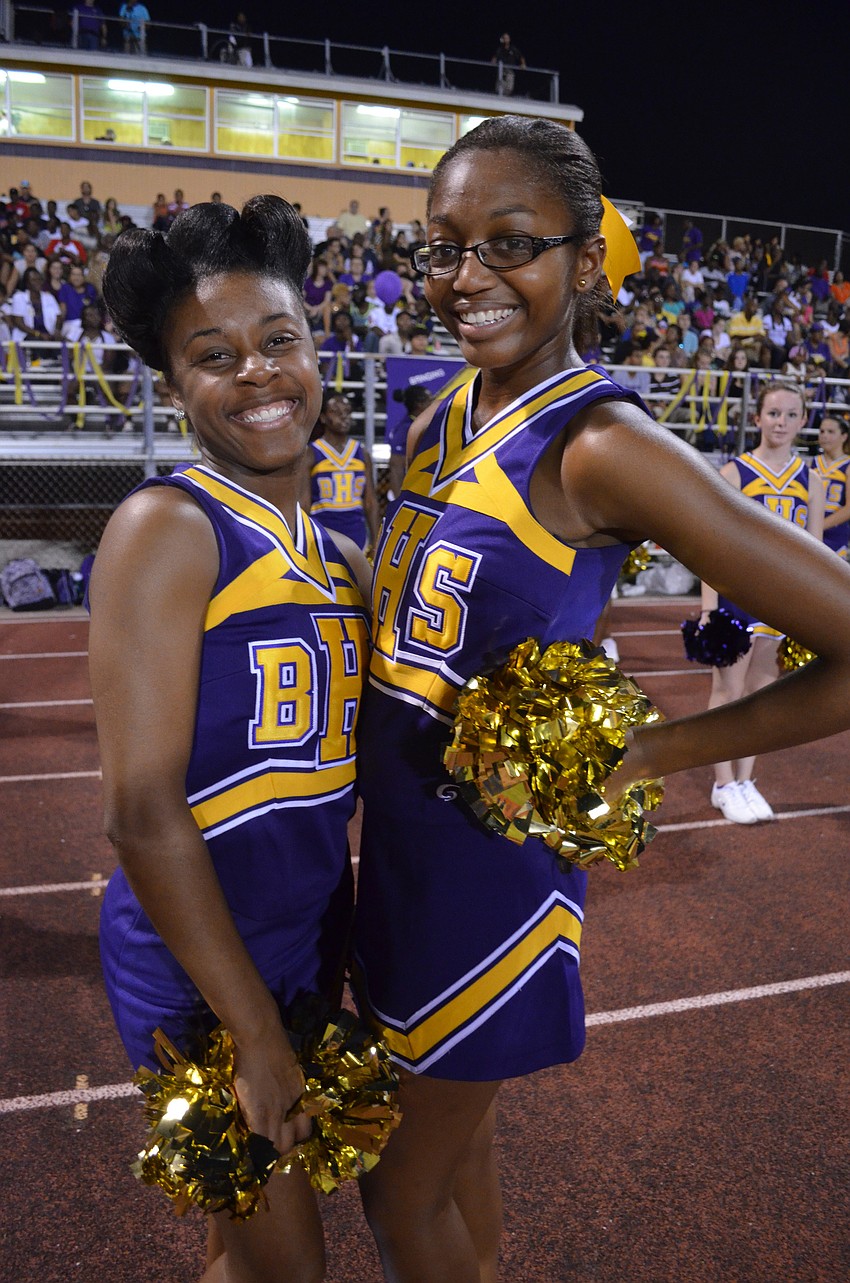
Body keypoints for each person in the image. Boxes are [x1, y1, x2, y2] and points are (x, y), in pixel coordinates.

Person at [350, 115, 850, 1283]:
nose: (466, 277)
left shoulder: (601, 442)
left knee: (396, 1188)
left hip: (486, 872)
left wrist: (651, 755)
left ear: (586, 261)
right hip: (400, 853)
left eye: (509, 244)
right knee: (457, 1167)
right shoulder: (440, 407)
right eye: (444, 245)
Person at [91, 196, 372, 1283]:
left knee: (245, 1254)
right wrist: (252, 1029)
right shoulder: (167, 526)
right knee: (283, 1264)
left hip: (302, 934)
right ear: (173, 387)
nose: (255, 372)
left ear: (315, 347)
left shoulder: (329, 547)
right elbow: (141, 809)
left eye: (278, 340)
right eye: (213, 356)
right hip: (201, 965)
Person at [702, 383, 824, 824]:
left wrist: (809, 611)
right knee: (727, 692)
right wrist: (708, 609)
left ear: (802, 421)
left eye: (792, 415)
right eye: (774, 413)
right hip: (737, 599)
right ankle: (723, 784)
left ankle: (746, 778)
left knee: (762, 696)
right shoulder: (734, 473)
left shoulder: (814, 479)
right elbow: (709, 546)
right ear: (757, 419)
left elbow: (814, 552)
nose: (782, 422)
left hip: (783, 602)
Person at [302, 389, 379, 551]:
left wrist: (377, 539)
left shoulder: (362, 453)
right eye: (335, 412)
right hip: (322, 534)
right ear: (323, 417)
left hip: (357, 535)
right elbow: (304, 504)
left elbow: (370, 502)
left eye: (347, 411)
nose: (343, 416)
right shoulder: (311, 453)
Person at [814, 414, 850, 557]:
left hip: (835, 534)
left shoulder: (847, 465)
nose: (824, 436)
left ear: (844, 436)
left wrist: (819, 526)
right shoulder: (812, 463)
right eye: (822, 431)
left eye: (830, 432)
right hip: (810, 531)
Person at [490, 32, 526, 96]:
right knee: (499, 88)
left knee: (509, 88)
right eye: (504, 38)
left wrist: (523, 64)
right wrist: (493, 61)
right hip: (501, 71)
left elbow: (521, 57)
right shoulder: (499, 49)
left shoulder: (513, 49)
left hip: (510, 71)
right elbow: (495, 57)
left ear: (509, 39)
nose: (506, 39)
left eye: (507, 38)